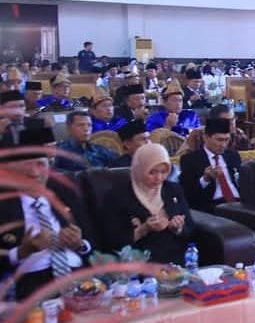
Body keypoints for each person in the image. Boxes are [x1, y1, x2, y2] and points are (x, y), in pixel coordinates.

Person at [0, 127, 96, 301]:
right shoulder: (4, 206)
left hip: (78, 274)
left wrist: (80, 244)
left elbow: (93, 241)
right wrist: (21, 252)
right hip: (31, 280)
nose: (34, 173)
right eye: (25, 166)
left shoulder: (67, 195)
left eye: (40, 164)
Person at [101, 144, 193, 265]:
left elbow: (190, 227)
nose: (158, 178)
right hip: (139, 262)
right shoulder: (117, 196)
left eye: (164, 172)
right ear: (140, 169)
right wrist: (144, 229)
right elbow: (112, 241)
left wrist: (178, 228)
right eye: (152, 172)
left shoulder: (173, 189)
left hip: (176, 259)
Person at [179, 118, 242, 213]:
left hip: (239, 202)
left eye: (227, 140)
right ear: (206, 137)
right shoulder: (190, 160)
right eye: (219, 140)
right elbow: (187, 194)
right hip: (213, 206)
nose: (223, 145)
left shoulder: (233, 156)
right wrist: (205, 179)